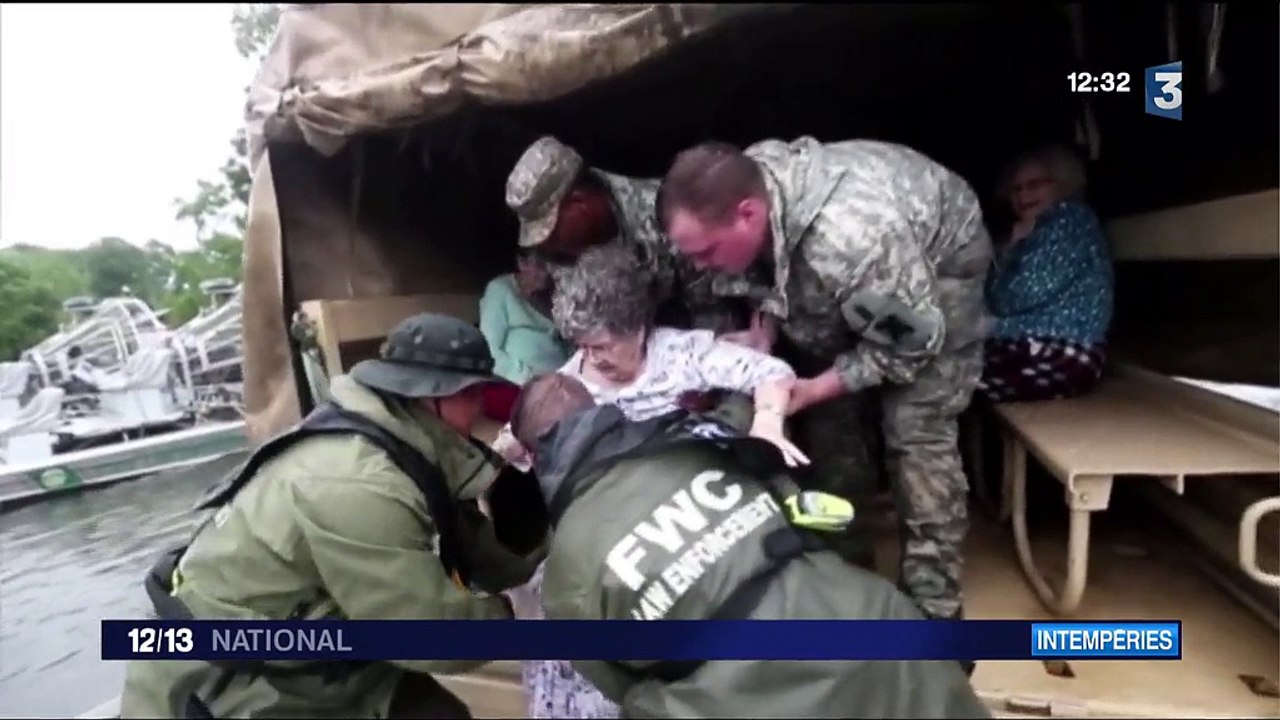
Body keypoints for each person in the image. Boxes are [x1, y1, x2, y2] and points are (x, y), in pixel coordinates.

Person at [120, 313, 544, 719]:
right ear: (430, 396)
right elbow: (427, 637)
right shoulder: (360, 484)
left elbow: (474, 544)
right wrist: (513, 612)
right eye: (471, 395)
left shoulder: (412, 445)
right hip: (231, 674)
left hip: (320, 652)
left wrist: (548, 566)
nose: (481, 407)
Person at [657, 139, 993, 646]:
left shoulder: (853, 239)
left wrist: (815, 388)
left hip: (937, 277)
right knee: (832, 424)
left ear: (748, 215)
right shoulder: (742, 191)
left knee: (916, 433)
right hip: (862, 277)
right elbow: (773, 279)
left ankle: (936, 613)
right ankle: (847, 569)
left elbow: (914, 347)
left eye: (706, 252)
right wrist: (762, 331)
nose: (701, 267)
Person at [503, 372, 992, 720]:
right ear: (601, 413)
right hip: (874, 632)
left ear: (530, 457)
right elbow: (810, 518)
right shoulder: (706, 445)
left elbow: (619, 687)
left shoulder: (567, 572)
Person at [493, 244, 807, 720]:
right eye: (580, 345)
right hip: (601, 531)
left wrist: (766, 422)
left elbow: (770, 372)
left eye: (601, 346)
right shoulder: (570, 383)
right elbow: (514, 441)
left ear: (638, 328)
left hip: (677, 513)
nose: (590, 359)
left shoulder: (677, 353)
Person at [505, 135, 748, 334]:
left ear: (579, 201)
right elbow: (576, 326)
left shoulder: (667, 221)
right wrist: (542, 297)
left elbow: (714, 309)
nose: (545, 243)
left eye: (551, 229)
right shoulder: (553, 253)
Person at [979, 144, 1113, 402]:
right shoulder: (1038, 229)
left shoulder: (1070, 220)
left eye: (1036, 184)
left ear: (1063, 184)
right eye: (1016, 189)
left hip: (1063, 352)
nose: (1023, 195)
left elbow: (1013, 298)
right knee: (941, 376)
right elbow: (994, 297)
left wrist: (1012, 249)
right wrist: (1009, 250)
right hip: (1032, 346)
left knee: (946, 385)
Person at [478, 247, 573, 385]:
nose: (547, 273)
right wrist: (529, 380)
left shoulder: (558, 294)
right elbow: (489, 351)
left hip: (561, 384)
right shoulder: (500, 290)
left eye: (551, 265)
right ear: (522, 263)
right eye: (540, 265)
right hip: (519, 387)